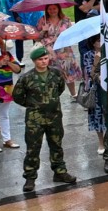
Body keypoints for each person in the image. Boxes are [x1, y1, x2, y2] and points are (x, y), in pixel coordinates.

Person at [11, 47, 76, 193]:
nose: (44, 61)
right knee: (33, 148)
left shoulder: (56, 74)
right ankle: (30, 177)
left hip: (54, 116)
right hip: (35, 119)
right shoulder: (27, 78)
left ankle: (60, 171)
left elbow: (60, 89)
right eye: (40, 59)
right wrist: (32, 105)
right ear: (34, 61)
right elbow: (17, 96)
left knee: (56, 145)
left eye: (46, 58)